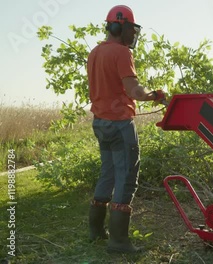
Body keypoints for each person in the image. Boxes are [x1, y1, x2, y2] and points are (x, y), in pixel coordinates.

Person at [86, 5, 166, 253]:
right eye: (130, 28)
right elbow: (135, 92)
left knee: (108, 173)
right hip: (120, 124)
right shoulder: (121, 53)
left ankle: (96, 231)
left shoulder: (95, 53)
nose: (132, 34)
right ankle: (119, 242)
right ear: (118, 26)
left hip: (100, 122)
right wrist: (155, 95)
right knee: (126, 179)